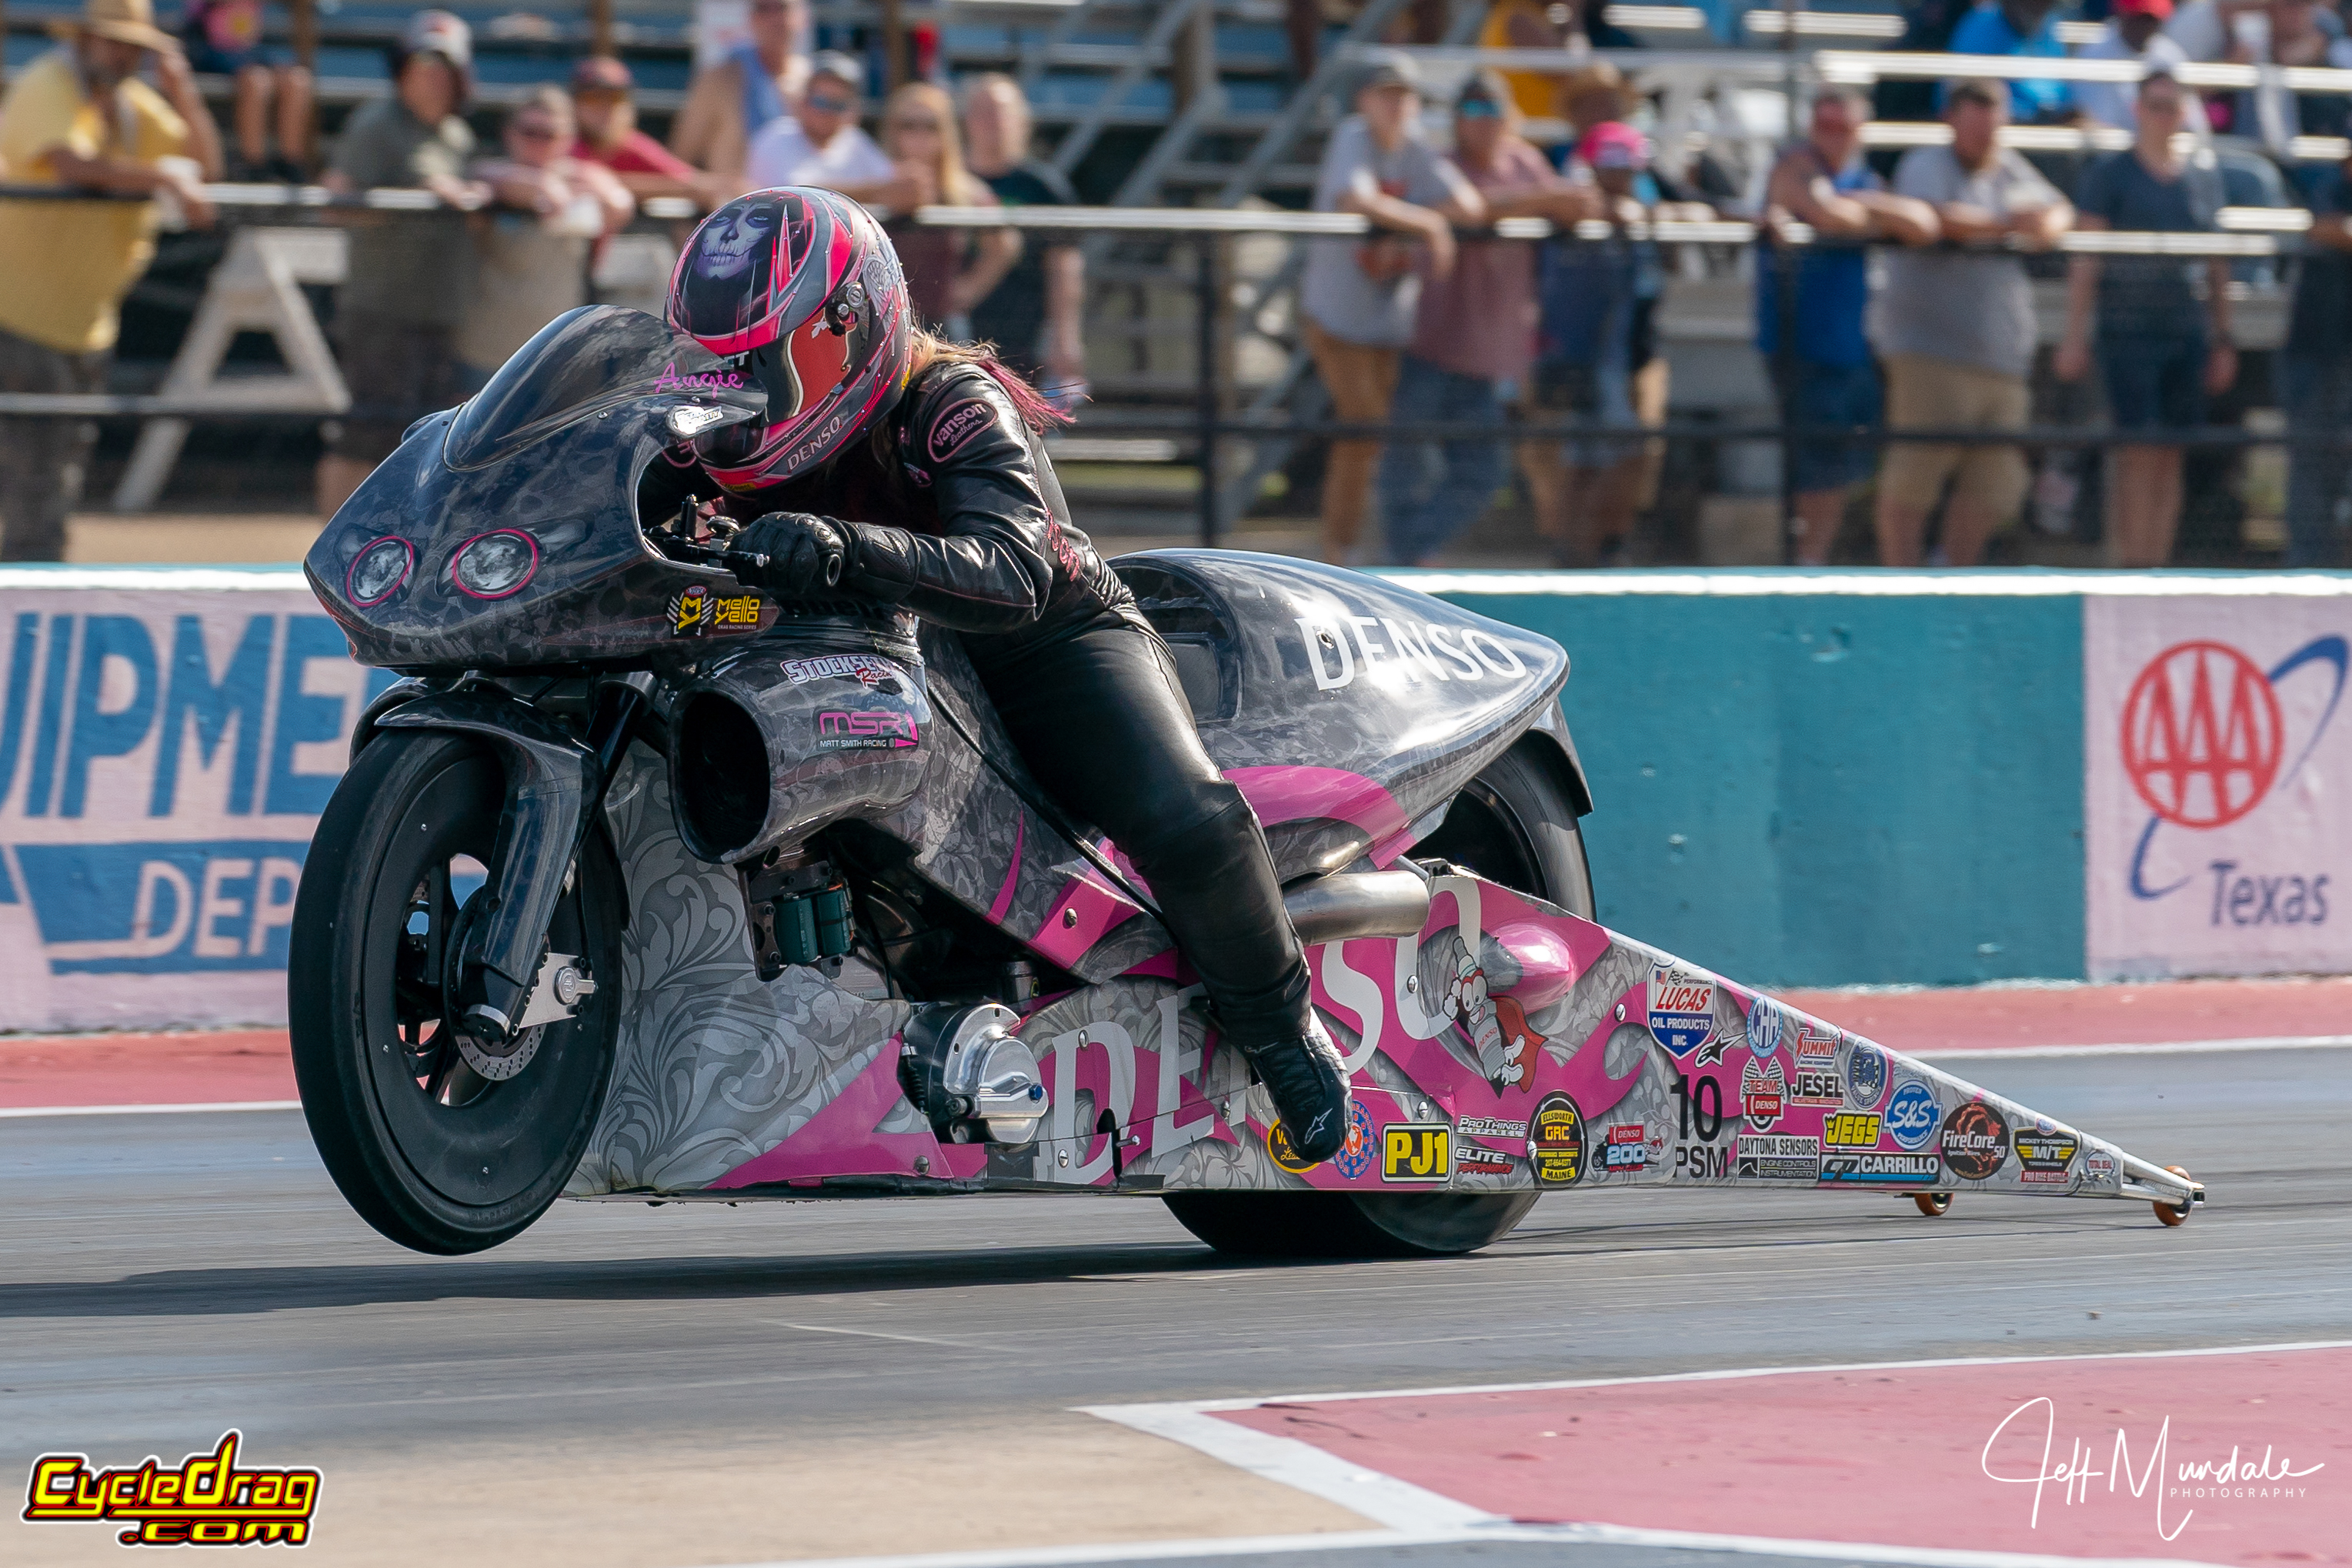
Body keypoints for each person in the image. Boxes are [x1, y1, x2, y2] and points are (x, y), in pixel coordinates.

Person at [649, 188, 1353, 1159]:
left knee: (1190, 817)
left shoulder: (949, 403)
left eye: (769, 360)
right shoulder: (716, 436)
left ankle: (1288, 1035)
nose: (743, 389)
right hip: (872, 655)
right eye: (718, 366)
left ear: (854, 325)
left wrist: (841, 545)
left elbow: (1015, 571)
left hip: (1039, 642)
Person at [0, 0, 221, 562]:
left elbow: (206, 167)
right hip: (20, 320)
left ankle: (32, 600)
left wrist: (185, 93)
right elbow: (69, 162)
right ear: (85, 40)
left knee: (52, 476)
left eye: (133, 45)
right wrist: (164, 175)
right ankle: (31, 599)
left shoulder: (129, 106)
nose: (123, 54)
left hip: (80, 324)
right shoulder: (48, 84)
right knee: (38, 477)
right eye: (113, 40)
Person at [1380, 72, 1590, 566]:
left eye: (1492, 108)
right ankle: (1397, 560)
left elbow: (1572, 206)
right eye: (1472, 110)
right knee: (1404, 462)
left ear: (1510, 116)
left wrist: (1570, 203)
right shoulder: (1440, 164)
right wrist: (1540, 201)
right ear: (1456, 120)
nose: (1484, 121)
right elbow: (1466, 208)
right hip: (1429, 342)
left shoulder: (1525, 161)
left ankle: (1407, 553)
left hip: (1489, 356)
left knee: (1481, 475)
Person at [1870, 78, 2072, 566]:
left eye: (1994, 115)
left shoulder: (2011, 169)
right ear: (1951, 118)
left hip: (2001, 356)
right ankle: (1901, 591)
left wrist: (2040, 224)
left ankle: (1950, 581)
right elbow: (1940, 220)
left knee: (1997, 487)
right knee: (1914, 480)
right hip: (1929, 350)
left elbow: (2057, 213)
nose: (1986, 129)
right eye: (1974, 115)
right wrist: (2007, 226)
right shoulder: (1925, 164)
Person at [1299, 53, 1484, 563]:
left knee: (1379, 434)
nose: (1398, 104)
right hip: (1337, 317)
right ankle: (1338, 549)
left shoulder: (1416, 146)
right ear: (1364, 100)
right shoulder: (1353, 136)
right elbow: (1355, 198)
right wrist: (1426, 226)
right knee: (1363, 428)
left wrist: (1412, 222)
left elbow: (1468, 206)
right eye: (1387, 94)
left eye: (1406, 95)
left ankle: (1373, 545)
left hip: (1387, 322)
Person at [2057, 72, 2234, 568]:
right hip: (2126, 329)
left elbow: (2218, 264)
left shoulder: (2201, 177)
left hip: (2185, 330)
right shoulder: (2111, 174)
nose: (2163, 116)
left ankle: (2156, 565)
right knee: (2135, 451)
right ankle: (2130, 566)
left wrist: (2223, 337)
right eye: (2154, 105)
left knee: (2172, 452)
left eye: (2171, 106)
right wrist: (2074, 334)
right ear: (2138, 109)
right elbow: (2086, 258)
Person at [316, 9, 488, 519]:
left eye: (444, 66)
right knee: (364, 433)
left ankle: (393, 543)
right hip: (383, 308)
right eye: (422, 64)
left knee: (423, 438)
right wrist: (415, 196)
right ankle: (326, 543)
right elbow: (338, 206)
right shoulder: (377, 124)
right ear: (402, 69)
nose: (433, 77)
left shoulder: (456, 136)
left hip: (439, 310)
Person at [1756, 87, 1938, 565]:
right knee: (1815, 471)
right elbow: (1827, 214)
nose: (1833, 138)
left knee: (1841, 472)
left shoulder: (1861, 177)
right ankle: (1803, 567)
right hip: (1801, 345)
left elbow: (1921, 225)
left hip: (1850, 348)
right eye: (1824, 126)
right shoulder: (1793, 165)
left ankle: (1814, 565)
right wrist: (1868, 214)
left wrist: (1861, 207)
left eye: (1844, 127)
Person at [1523, 119, 1687, 567]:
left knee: (1627, 454)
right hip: (1576, 351)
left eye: (1627, 165)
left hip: (1631, 353)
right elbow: (1578, 208)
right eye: (1609, 164)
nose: (1619, 174)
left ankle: (1603, 545)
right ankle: (1569, 552)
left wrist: (1654, 216)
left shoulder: (1649, 200)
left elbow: (1698, 215)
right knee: (1579, 459)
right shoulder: (1576, 202)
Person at [457, 87, 635, 390]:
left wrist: (563, 190)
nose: (538, 143)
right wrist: (539, 188)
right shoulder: (487, 178)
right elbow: (482, 175)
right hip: (487, 355)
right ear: (509, 133)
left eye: (549, 134)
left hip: (556, 357)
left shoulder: (580, 179)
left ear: (568, 138)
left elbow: (619, 205)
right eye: (530, 132)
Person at [962, 74, 1083, 399]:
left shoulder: (1043, 188)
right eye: (983, 111)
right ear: (967, 120)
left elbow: (1064, 265)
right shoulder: (952, 181)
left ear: (1022, 120)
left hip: (1027, 330)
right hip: (959, 327)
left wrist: (1065, 335)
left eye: (1001, 110)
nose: (993, 121)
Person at [878, 82, 1019, 337]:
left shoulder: (965, 190)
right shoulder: (875, 182)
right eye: (909, 125)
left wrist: (968, 290)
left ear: (946, 133)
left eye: (931, 126)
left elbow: (1005, 245)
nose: (920, 135)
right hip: (883, 321)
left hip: (942, 324)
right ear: (893, 131)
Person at [2281, 146, 2352, 566]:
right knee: (2313, 460)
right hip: (2318, 354)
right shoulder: (2326, 185)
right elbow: (2324, 227)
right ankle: (2307, 569)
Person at [743, 52, 926, 210]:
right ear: (803, 101)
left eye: (838, 105)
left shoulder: (854, 141)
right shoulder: (777, 136)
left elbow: (892, 185)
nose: (827, 113)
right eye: (820, 102)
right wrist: (879, 192)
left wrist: (910, 185)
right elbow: (794, 198)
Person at [670, 0, 809, 182]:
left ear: (802, 17)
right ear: (751, 19)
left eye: (782, 8)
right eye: (763, 9)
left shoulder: (813, 80)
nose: (774, 19)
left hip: (800, 203)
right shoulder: (720, 79)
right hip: (739, 205)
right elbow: (680, 157)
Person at [179, 0, 312, 178]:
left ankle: (291, 164)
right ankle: (253, 165)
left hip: (249, 50)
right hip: (209, 50)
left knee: (297, 80)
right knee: (256, 81)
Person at [571, 55, 723, 208]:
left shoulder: (632, 145)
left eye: (615, 97)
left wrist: (614, 184)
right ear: (575, 104)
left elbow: (696, 185)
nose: (604, 108)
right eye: (592, 98)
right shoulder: (561, 142)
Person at [1947, 0, 2073, 122]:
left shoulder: (2049, 26)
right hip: (1997, 128)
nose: (2039, 5)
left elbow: (2061, 94)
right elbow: (1968, 100)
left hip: (2047, 128)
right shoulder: (1979, 25)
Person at [2077, 0, 2192, 132]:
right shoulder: (2095, 53)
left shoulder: (2170, 55)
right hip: (2107, 148)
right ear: (2122, 13)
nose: (2145, 26)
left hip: (2155, 145)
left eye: (2152, 19)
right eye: (2139, 18)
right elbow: (2096, 121)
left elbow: (2193, 123)